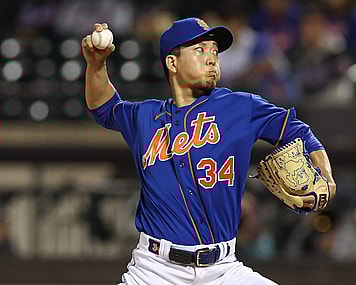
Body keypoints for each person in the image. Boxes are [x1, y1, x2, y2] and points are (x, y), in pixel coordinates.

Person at [82, 18, 336, 285]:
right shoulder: (144, 117)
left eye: (215, 51)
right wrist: (96, 64)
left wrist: (327, 177)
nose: (212, 59)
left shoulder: (240, 107)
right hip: (154, 270)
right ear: (172, 63)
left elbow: (298, 131)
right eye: (200, 50)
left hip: (224, 270)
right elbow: (103, 107)